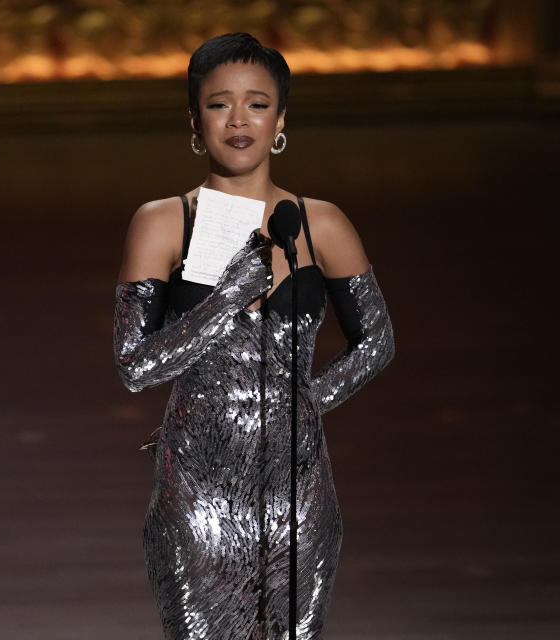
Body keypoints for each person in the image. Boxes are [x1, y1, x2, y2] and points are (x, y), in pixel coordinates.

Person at [113, 32, 395, 640]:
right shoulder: (163, 223)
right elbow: (136, 365)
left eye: (257, 103)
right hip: (197, 487)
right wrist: (229, 298)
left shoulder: (320, 223)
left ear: (281, 118)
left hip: (297, 487)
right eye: (219, 104)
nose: (239, 119)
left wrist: (303, 404)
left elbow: (375, 342)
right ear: (195, 119)